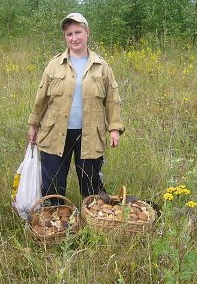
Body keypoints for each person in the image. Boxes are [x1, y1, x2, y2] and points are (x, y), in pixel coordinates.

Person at [28, 12, 125, 205]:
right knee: (53, 183)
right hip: (55, 133)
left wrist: (114, 128)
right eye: (69, 34)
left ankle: (94, 221)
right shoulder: (54, 65)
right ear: (65, 36)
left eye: (78, 32)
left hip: (89, 134)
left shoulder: (102, 67)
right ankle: (55, 222)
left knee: (91, 185)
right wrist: (33, 124)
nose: (74, 38)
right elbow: (41, 98)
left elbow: (112, 100)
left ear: (87, 32)